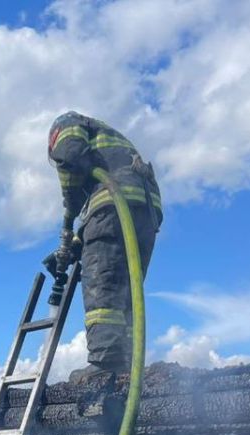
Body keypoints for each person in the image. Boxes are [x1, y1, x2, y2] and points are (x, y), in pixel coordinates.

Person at [45, 111, 162, 383]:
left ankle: (105, 363)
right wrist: (76, 245)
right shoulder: (107, 143)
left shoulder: (67, 124)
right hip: (145, 212)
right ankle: (126, 367)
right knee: (127, 292)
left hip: (115, 201)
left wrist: (69, 211)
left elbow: (70, 157)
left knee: (103, 286)